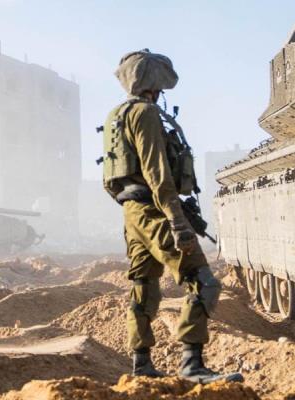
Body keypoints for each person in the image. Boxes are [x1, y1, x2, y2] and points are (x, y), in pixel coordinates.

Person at [102, 49, 242, 384]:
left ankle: (141, 365)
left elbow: (109, 180)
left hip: (133, 213)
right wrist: (177, 221)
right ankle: (192, 365)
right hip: (155, 209)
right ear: (153, 84)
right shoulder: (146, 113)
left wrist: (133, 208)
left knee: (144, 286)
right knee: (204, 282)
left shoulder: (114, 116)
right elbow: (157, 173)